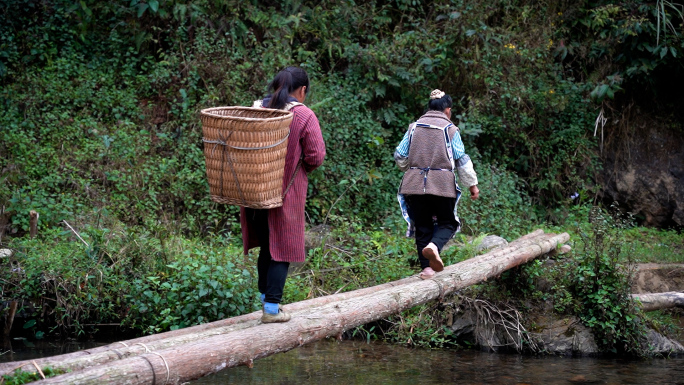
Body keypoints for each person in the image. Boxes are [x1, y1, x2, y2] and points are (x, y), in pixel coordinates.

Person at [240, 67, 326, 323]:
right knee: (283, 249)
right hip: (286, 193)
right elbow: (316, 156)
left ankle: (264, 302)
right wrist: (300, 168)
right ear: (302, 90)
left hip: (255, 190)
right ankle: (271, 310)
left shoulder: (255, 110)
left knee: (268, 245)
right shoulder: (303, 115)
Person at [394, 89, 480, 279]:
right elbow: (461, 160)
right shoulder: (450, 129)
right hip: (442, 185)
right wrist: (472, 185)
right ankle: (434, 246)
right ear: (447, 110)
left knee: (423, 226)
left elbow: (400, 155)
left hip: (414, 185)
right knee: (448, 223)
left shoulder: (414, 127)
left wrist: (413, 167)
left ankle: (427, 269)